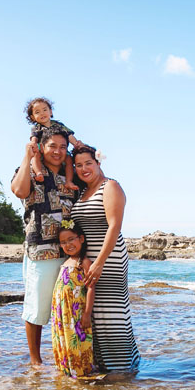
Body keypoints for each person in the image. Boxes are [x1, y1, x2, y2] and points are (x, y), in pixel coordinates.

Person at [71, 145, 140, 373]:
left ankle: (121, 370)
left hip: (109, 258)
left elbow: (114, 226)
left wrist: (100, 261)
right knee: (94, 315)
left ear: (98, 163)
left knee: (111, 313)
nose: (84, 169)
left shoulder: (110, 186)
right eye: (78, 165)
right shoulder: (81, 192)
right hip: (89, 260)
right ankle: (103, 368)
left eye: (88, 163)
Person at [11, 130, 78, 365]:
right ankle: (36, 361)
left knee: (71, 307)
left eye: (62, 146)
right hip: (41, 250)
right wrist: (27, 156)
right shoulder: (30, 171)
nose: (58, 151)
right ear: (41, 147)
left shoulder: (72, 176)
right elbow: (19, 191)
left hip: (71, 252)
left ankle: (68, 356)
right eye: (52, 146)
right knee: (37, 308)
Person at [50, 220, 97, 379]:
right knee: (63, 340)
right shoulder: (65, 262)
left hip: (75, 313)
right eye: (63, 242)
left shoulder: (84, 262)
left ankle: (81, 374)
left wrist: (87, 313)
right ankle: (66, 371)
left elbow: (91, 288)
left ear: (81, 239)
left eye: (71, 239)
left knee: (76, 341)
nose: (68, 244)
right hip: (62, 314)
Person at [24, 97, 83, 190]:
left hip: (59, 149)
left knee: (69, 159)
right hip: (41, 149)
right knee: (36, 155)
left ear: (50, 112)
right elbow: (34, 138)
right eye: (37, 112)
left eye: (44, 110)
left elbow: (69, 136)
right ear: (32, 117)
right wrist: (33, 144)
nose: (42, 113)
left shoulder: (59, 125)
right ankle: (38, 172)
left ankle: (69, 181)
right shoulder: (36, 128)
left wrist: (76, 144)